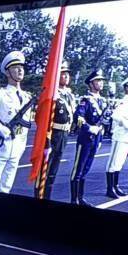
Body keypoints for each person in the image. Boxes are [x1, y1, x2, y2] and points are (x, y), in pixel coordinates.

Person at [0, 51, 33, 193]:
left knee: (6, 188)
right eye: (15, 67)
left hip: (17, 149)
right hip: (0, 147)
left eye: (21, 66)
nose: (20, 69)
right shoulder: (0, 93)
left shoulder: (27, 97)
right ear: (8, 73)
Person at [35, 61, 76, 200]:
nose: (66, 76)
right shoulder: (52, 93)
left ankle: (47, 196)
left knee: (53, 170)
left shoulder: (69, 95)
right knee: (44, 169)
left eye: (67, 74)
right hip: (53, 134)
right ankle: (39, 196)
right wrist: (46, 138)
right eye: (62, 74)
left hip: (64, 135)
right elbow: (42, 116)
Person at [70, 69, 107, 205]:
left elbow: (103, 121)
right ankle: (74, 200)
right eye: (98, 81)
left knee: (86, 169)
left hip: (96, 138)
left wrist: (101, 136)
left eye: (101, 80)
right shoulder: (85, 100)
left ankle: (81, 198)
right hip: (86, 138)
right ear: (91, 84)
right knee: (78, 169)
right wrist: (89, 127)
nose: (101, 83)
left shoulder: (102, 101)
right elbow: (78, 117)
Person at [104, 74, 128, 198]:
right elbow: (115, 115)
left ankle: (115, 186)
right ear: (127, 87)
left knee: (119, 163)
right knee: (113, 163)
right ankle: (110, 188)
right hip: (120, 135)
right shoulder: (124, 100)